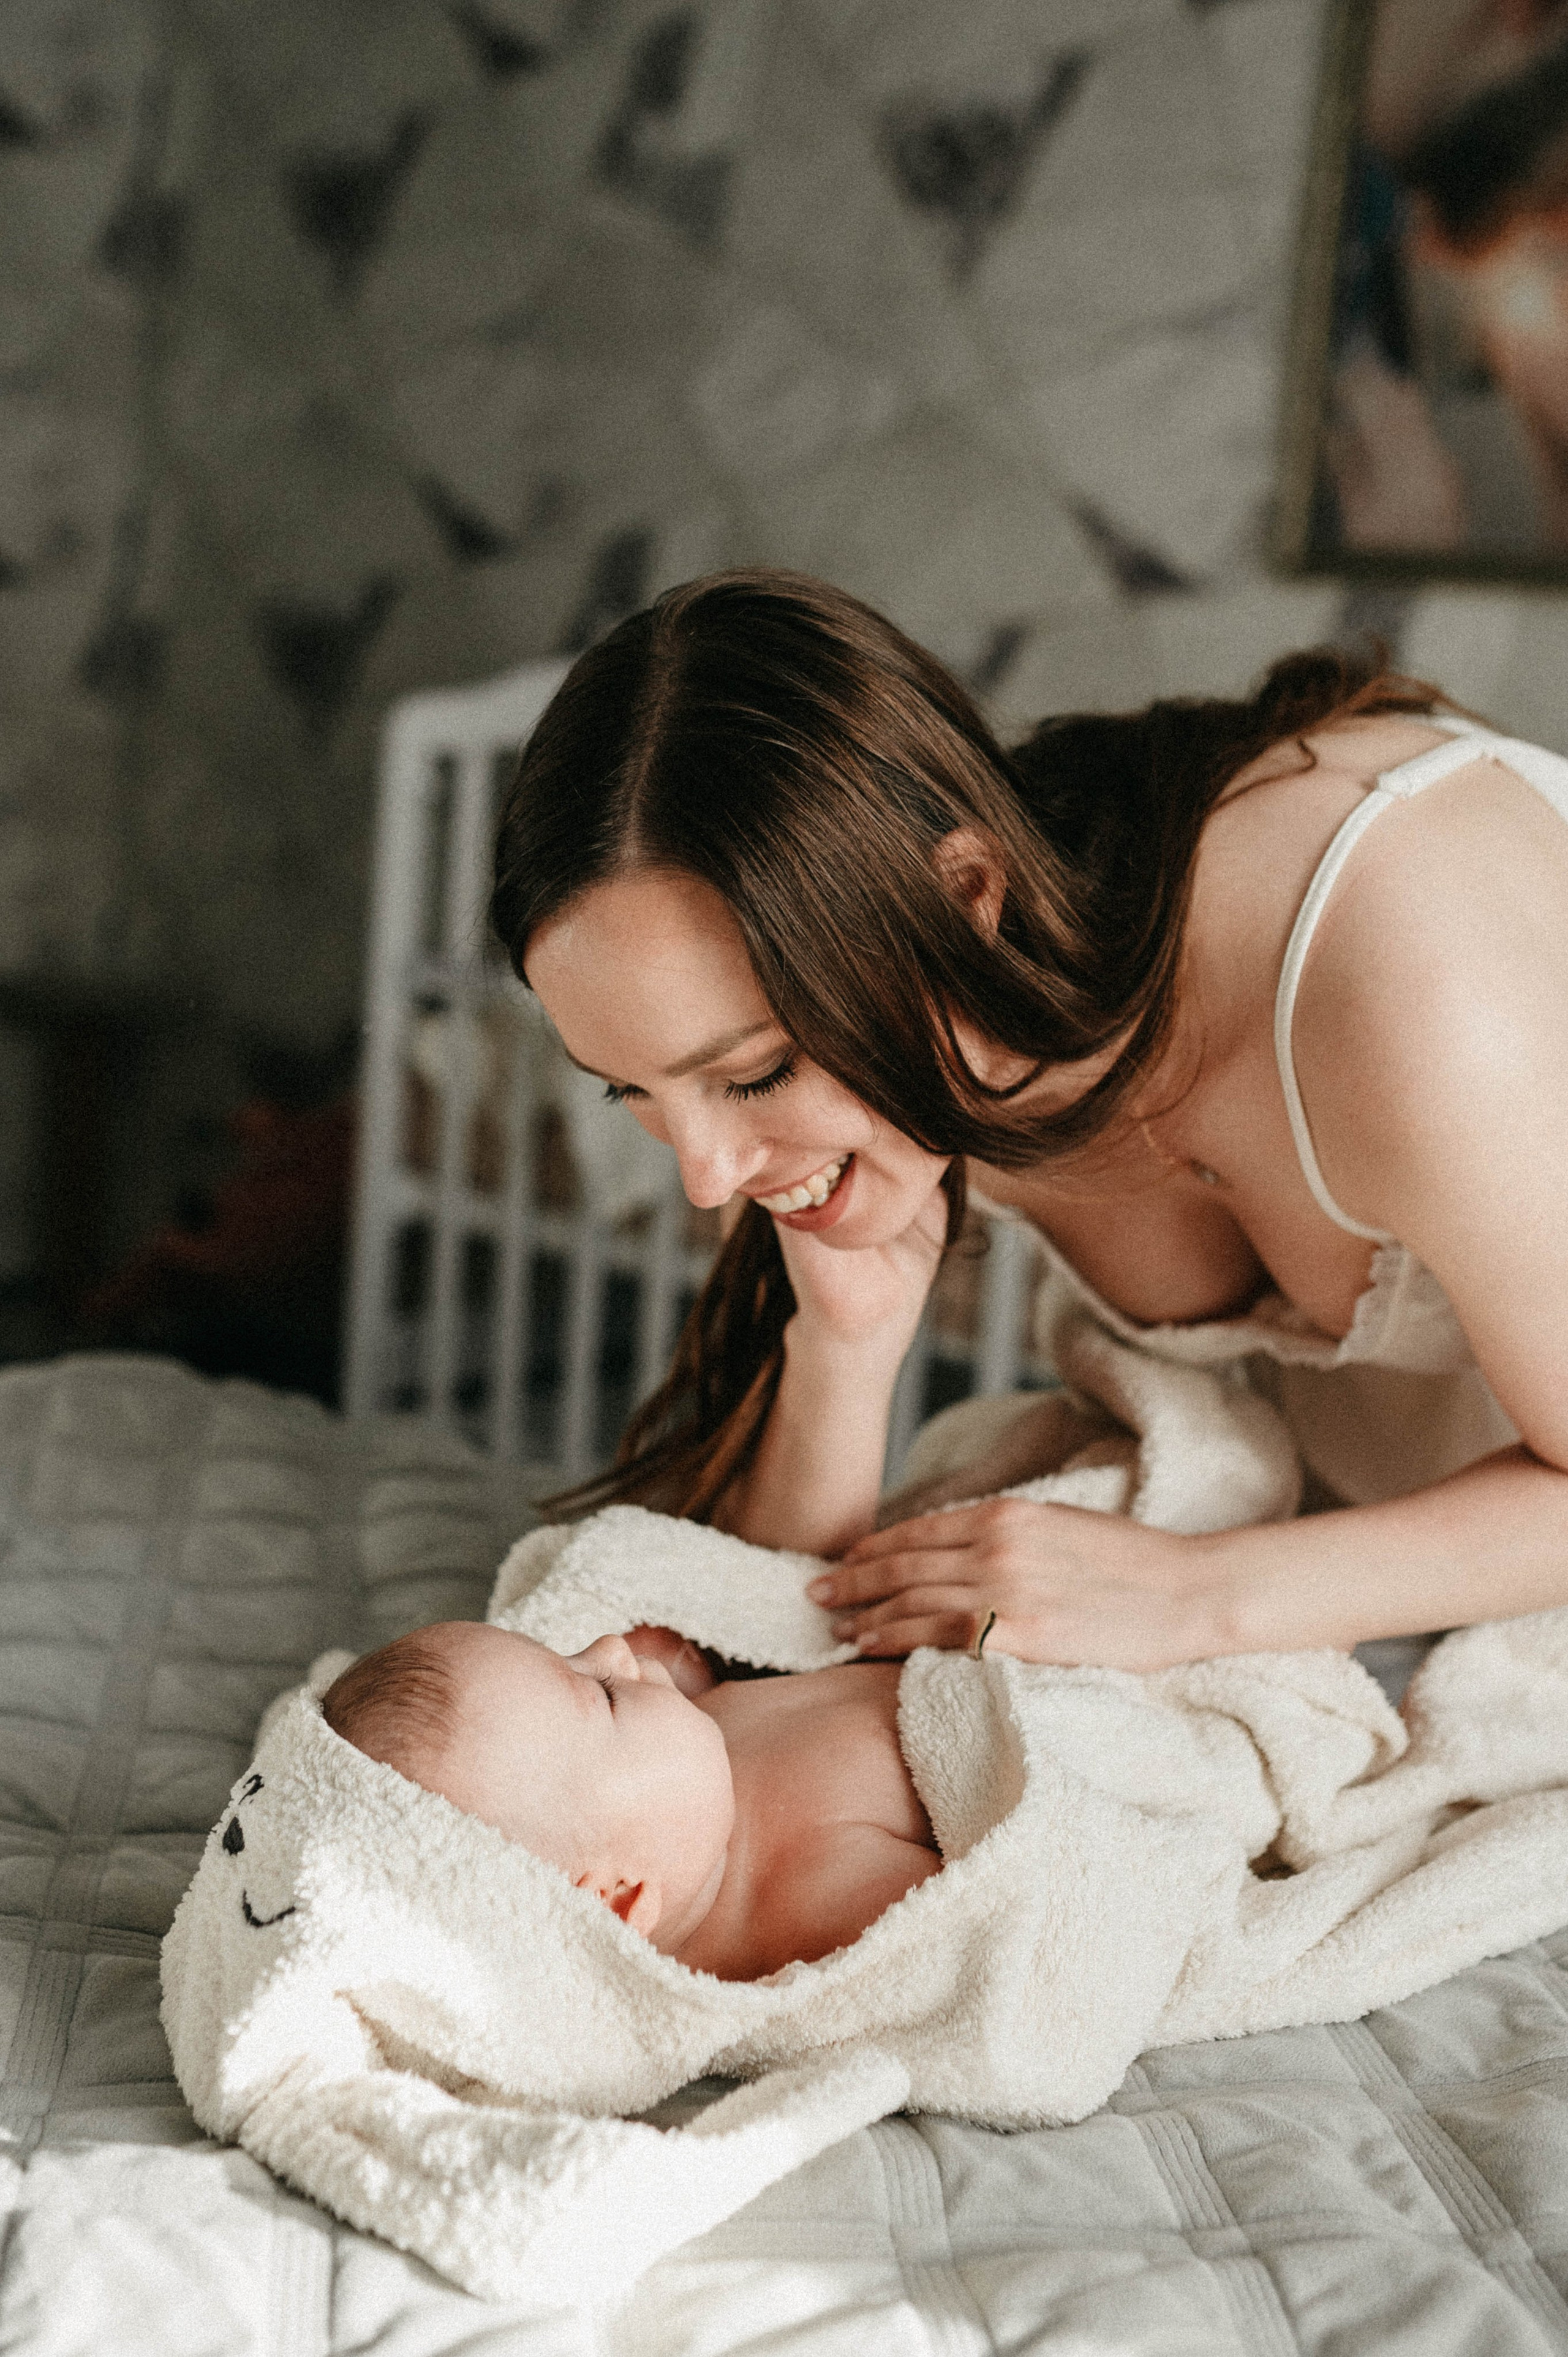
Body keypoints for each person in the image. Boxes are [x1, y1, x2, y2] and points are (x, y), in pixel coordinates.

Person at [489, 569, 1568, 1672]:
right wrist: (844, 1349)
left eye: (757, 1072)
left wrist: (1196, 1593)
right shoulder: (927, 1028)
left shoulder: (1417, 995)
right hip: (1423, 1594)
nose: (706, 1178)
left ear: (965, 898)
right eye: (629, 1089)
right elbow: (756, 1632)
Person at [320, 1620, 940, 1981]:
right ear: (617, 1902)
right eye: (604, 1691)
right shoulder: (817, 1904)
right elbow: (981, 1907)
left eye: (564, 1654)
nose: (611, 1645)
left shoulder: (688, 1767)